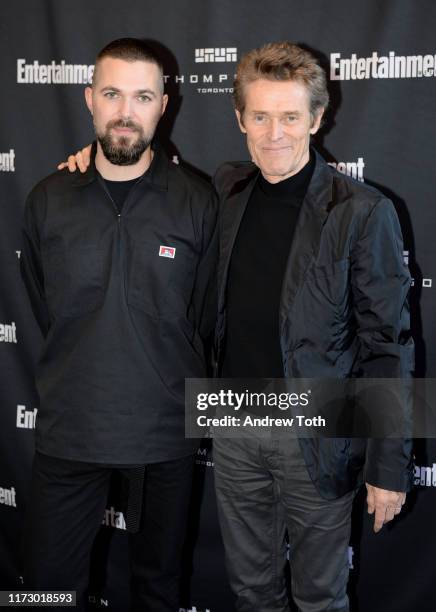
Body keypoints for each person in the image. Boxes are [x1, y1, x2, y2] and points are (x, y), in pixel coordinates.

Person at [61, 41, 414, 612]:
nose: (275, 132)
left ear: (317, 119)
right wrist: (90, 158)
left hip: (320, 430)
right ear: (239, 119)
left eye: (291, 116)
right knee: (251, 592)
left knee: (322, 596)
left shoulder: (363, 211)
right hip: (232, 421)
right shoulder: (223, 189)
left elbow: (388, 344)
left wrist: (389, 465)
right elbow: (143, 174)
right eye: (260, 115)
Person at [21, 38, 217, 612]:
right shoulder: (48, 199)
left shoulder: (197, 202)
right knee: (48, 592)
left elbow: (202, 317)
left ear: (163, 106)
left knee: (158, 588)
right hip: (70, 427)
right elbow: (43, 306)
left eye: (141, 96)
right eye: (111, 94)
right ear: (89, 100)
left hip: (164, 432)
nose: (125, 111)